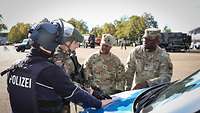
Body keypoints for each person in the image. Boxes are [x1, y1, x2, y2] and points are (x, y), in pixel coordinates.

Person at [3, 19, 111, 113]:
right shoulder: (50, 70)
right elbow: (73, 92)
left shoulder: (14, 67)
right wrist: (99, 104)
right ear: (50, 43)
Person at [52, 23, 85, 113]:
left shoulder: (68, 55)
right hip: (57, 105)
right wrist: (89, 93)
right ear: (67, 42)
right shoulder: (57, 57)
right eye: (76, 42)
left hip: (65, 102)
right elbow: (66, 84)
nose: (78, 45)